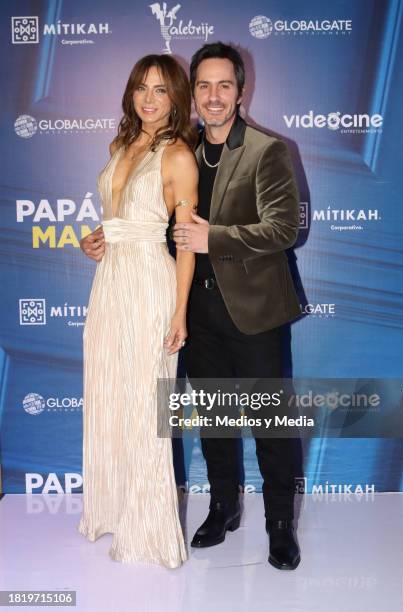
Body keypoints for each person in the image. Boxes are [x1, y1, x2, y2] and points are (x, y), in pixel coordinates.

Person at [172, 42, 302, 570]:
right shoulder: (179, 152)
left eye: (224, 84)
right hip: (198, 315)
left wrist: (215, 239)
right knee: (216, 423)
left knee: (271, 424)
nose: (213, 96)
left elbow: (285, 228)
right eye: (203, 85)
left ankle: (278, 524)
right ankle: (222, 506)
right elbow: (168, 229)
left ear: (241, 90)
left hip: (255, 313)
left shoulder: (268, 149)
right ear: (194, 93)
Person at [77, 54, 198, 568]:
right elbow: (118, 217)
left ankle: (149, 530)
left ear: (176, 98)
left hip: (152, 282)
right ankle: (114, 510)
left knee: (148, 407)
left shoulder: (177, 156)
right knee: (109, 393)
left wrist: (179, 312)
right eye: (141, 89)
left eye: (161, 90)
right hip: (110, 282)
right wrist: (97, 237)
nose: (148, 99)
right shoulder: (119, 144)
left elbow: (187, 241)